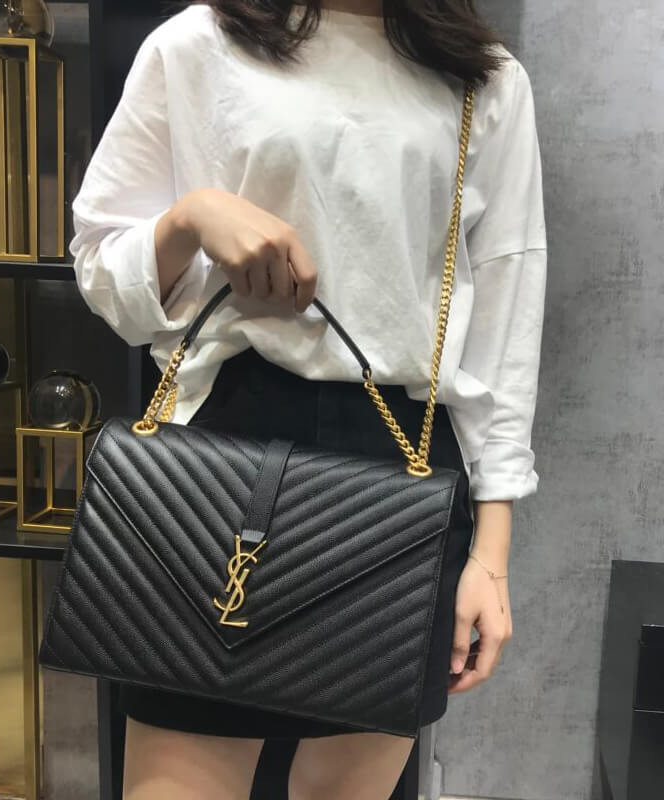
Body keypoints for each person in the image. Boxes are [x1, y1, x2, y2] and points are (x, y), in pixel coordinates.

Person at [69, 0, 547, 797]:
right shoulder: (199, 43)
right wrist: (192, 218)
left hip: (399, 466)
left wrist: (491, 559)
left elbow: (507, 314)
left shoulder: (483, 78)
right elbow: (99, 266)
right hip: (217, 456)